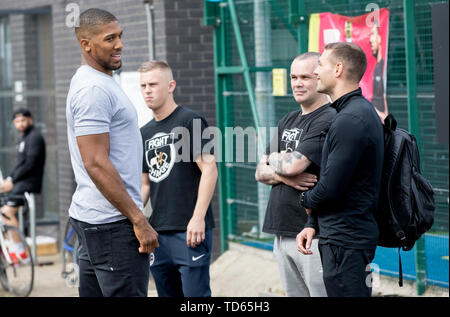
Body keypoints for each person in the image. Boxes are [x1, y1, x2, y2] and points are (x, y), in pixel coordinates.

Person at [66, 8, 159, 297]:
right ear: (86, 44)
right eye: (109, 39)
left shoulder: (96, 81)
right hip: (113, 224)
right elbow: (95, 162)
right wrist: (139, 219)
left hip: (95, 220)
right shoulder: (93, 89)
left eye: (120, 36)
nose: (119, 44)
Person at [297, 42, 384, 297]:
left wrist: (305, 198)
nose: (316, 72)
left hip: (347, 241)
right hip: (343, 238)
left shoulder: (350, 119)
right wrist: (313, 222)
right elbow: (338, 180)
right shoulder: (351, 113)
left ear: (338, 69)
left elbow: (330, 188)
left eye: (320, 65)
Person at [255, 53, 335, 297]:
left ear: (319, 78)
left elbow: (292, 166)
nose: (297, 83)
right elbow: (260, 171)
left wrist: (275, 162)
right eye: (293, 77)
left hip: (313, 234)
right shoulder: (288, 119)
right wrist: (284, 177)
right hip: (282, 231)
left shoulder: (328, 117)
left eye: (305, 77)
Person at [139, 60, 217, 297]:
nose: (147, 91)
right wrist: (136, 220)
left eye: (153, 84)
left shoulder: (189, 120)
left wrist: (197, 218)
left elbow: (210, 170)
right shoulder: (144, 132)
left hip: (190, 231)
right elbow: (144, 184)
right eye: (142, 86)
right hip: (158, 233)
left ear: (171, 85)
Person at [0, 108, 45, 264]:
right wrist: (9, 178)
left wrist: (12, 180)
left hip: (28, 183)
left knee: (6, 213)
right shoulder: (23, 139)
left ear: (30, 120)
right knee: (2, 213)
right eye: (17, 121)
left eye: (23, 120)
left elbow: (30, 164)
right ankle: (14, 249)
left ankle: (20, 253)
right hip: (20, 182)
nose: (20, 124)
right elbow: (19, 165)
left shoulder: (35, 137)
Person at [369, 22, 388, 120]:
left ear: (380, 38)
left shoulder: (385, 66)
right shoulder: (375, 66)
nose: (370, 40)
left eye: (373, 34)